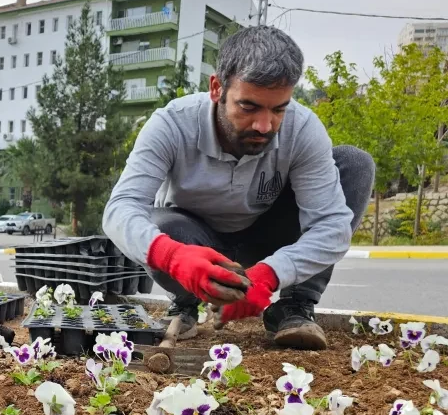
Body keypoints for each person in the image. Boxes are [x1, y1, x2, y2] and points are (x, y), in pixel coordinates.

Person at [103, 27, 375, 349]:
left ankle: (294, 306)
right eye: (248, 107)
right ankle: (185, 302)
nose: (265, 126)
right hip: (195, 242)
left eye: (278, 109)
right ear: (217, 88)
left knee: (355, 164)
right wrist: (174, 256)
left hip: (266, 240)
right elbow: (120, 210)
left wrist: (271, 273)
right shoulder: (171, 124)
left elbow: (332, 225)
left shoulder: (302, 129)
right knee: (162, 226)